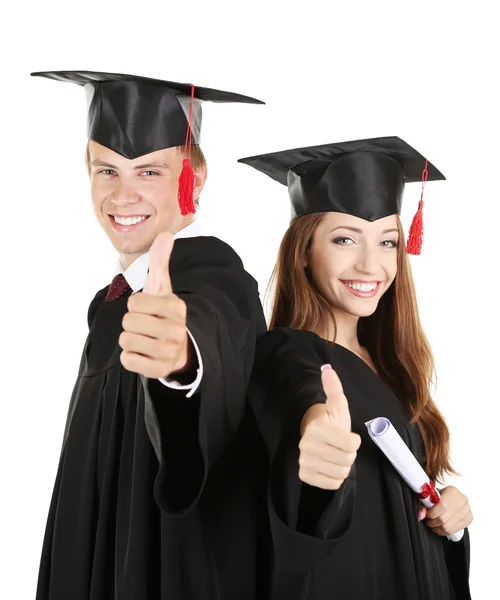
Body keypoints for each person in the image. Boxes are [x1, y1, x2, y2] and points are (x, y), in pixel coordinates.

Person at [31, 70, 270, 600]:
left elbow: (206, 339)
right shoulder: (110, 303)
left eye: (150, 171)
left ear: (196, 178)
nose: (123, 194)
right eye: (106, 170)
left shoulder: (216, 276)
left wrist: (182, 363)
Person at [238, 136, 473, 600]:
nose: (372, 264)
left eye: (387, 242)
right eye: (344, 239)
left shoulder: (395, 366)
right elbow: (298, 395)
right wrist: (313, 435)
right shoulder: (286, 353)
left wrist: (451, 516)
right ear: (303, 249)